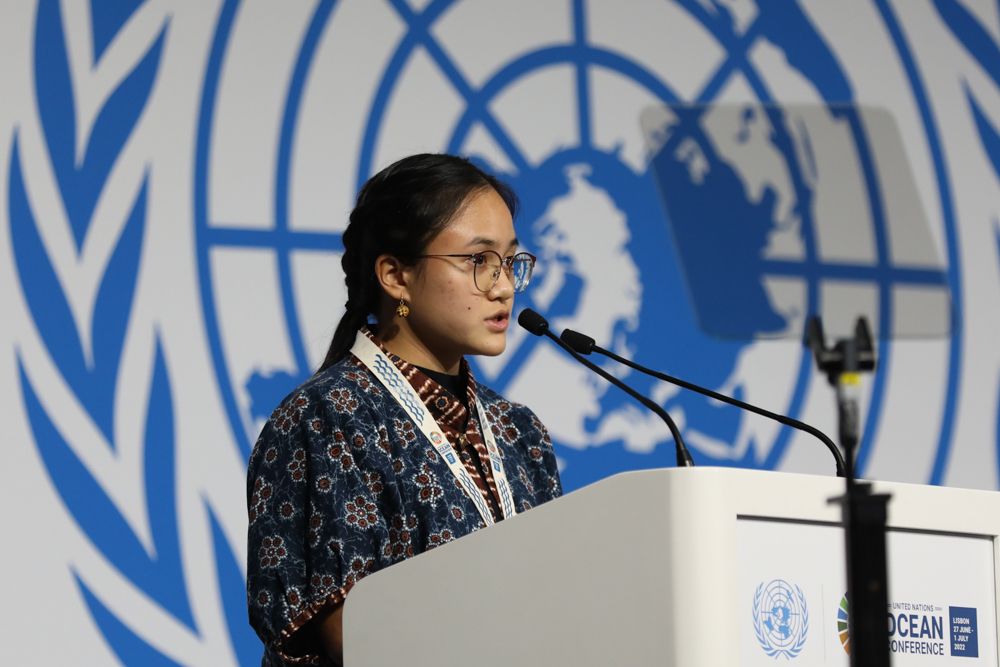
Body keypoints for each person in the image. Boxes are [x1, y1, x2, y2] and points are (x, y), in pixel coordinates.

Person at [246, 153, 563, 666]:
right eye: (477, 260)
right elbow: (350, 632)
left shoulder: (520, 432)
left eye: (509, 261)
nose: (503, 285)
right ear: (395, 274)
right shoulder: (327, 418)